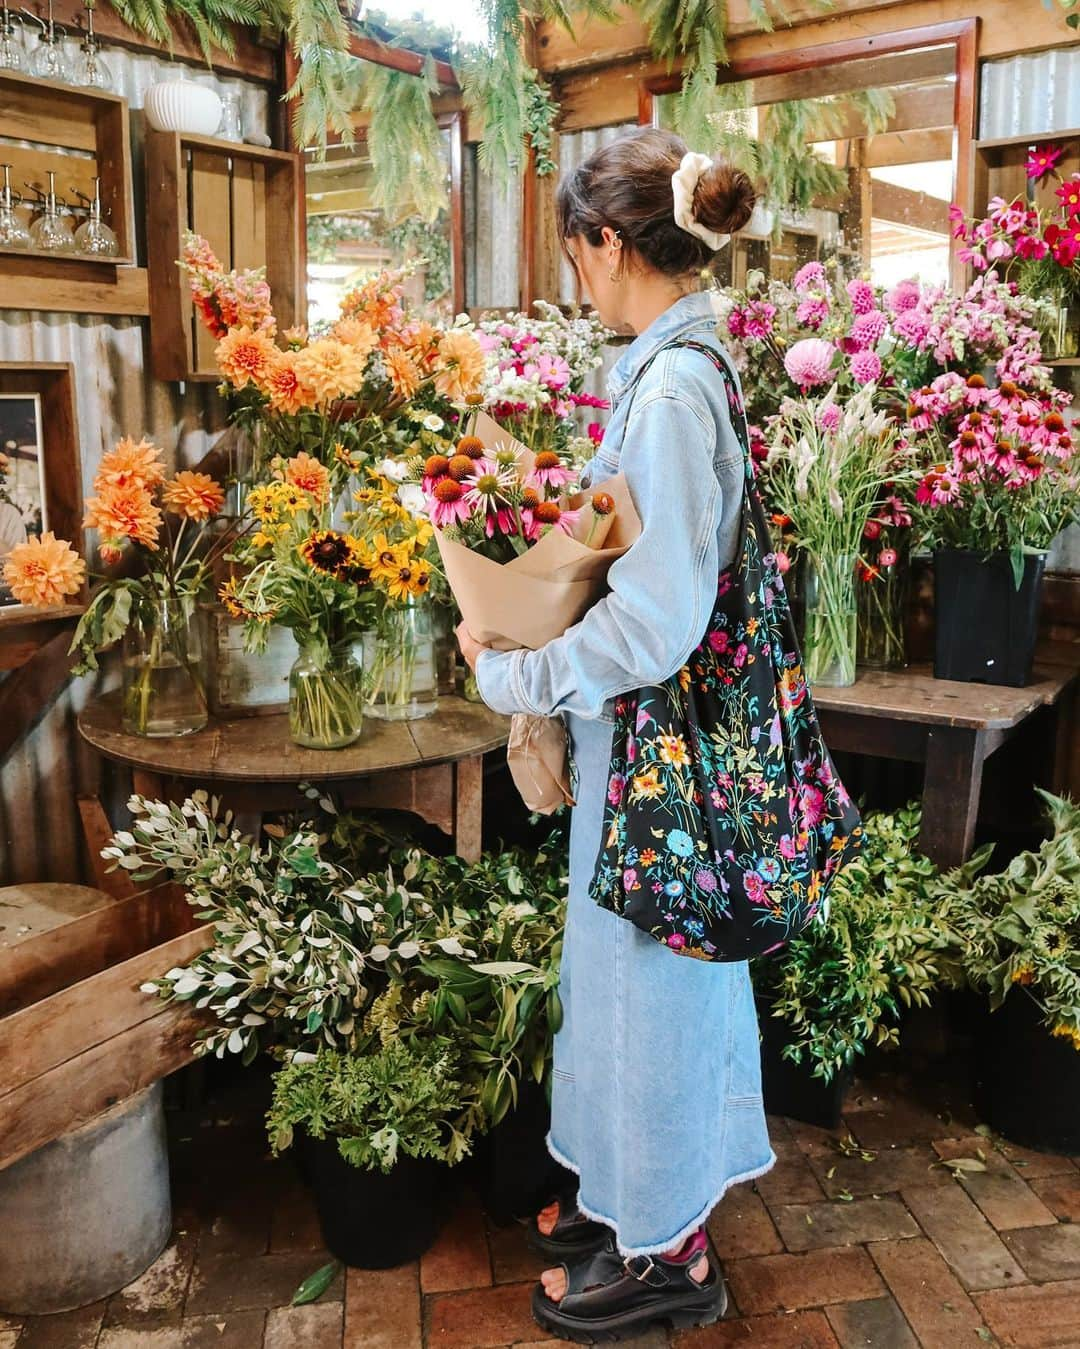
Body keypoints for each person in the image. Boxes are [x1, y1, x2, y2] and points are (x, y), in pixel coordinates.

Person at [456, 126, 776, 1342]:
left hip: (666, 750)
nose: (576, 276)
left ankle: (671, 1255)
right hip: (645, 748)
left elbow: (660, 617)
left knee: (654, 992)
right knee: (622, 981)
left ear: (606, 242)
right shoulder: (665, 365)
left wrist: (525, 662)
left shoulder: (677, 385)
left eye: (577, 251)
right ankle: (630, 1199)